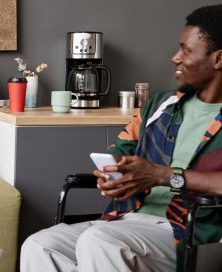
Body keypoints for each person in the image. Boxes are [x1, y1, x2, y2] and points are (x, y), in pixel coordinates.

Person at [21, 4, 222, 272]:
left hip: (194, 233)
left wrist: (163, 175)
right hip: (130, 219)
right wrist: (113, 177)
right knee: (40, 245)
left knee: (101, 241)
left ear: (218, 59)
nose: (175, 58)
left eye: (186, 50)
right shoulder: (161, 104)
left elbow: (161, 175)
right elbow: (119, 153)